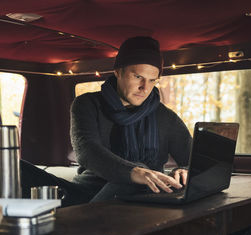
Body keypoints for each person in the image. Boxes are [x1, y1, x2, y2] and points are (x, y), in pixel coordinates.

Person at [21, 36, 192, 206]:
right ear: (118, 72)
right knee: (15, 167)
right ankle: (84, 216)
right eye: (138, 77)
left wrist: (183, 170)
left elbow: (192, 159)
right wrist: (134, 172)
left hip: (138, 198)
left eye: (152, 80)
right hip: (84, 192)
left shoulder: (166, 118)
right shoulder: (87, 104)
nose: (145, 88)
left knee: (139, 174)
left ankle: (81, 219)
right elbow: (88, 152)